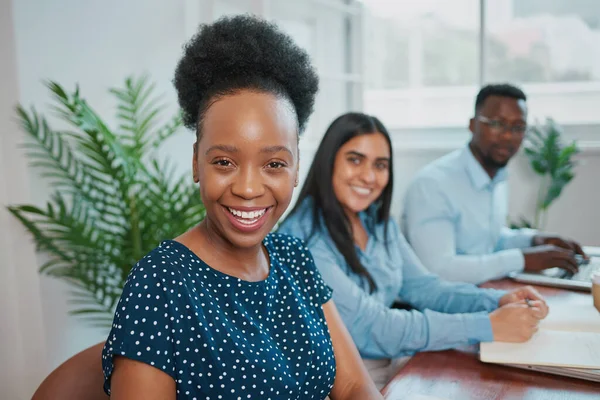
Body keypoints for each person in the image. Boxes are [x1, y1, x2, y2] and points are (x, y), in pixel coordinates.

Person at [101, 16, 382, 400]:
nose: (248, 188)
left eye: (274, 164)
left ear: (296, 169)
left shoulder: (294, 259)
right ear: (196, 162)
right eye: (224, 162)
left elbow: (352, 386)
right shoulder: (161, 283)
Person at [278, 112, 549, 388]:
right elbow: (374, 327)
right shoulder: (303, 241)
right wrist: (488, 325)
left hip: (389, 362)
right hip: (338, 382)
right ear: (329, 161)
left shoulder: (377, 223)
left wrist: (497, 301)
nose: (369, 176)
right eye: (355, 160)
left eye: (380, 165)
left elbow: (424, 288)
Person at [402, 83, 587, 285]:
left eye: (518, 127)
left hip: (483, 292)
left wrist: (534, 240)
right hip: (443, 308)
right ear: (472, 125)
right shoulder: (432, 185)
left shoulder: (495, 175)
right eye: (497, 124)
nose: (508, 136)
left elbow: (487, 240)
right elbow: (440, 269)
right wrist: (522, 259)